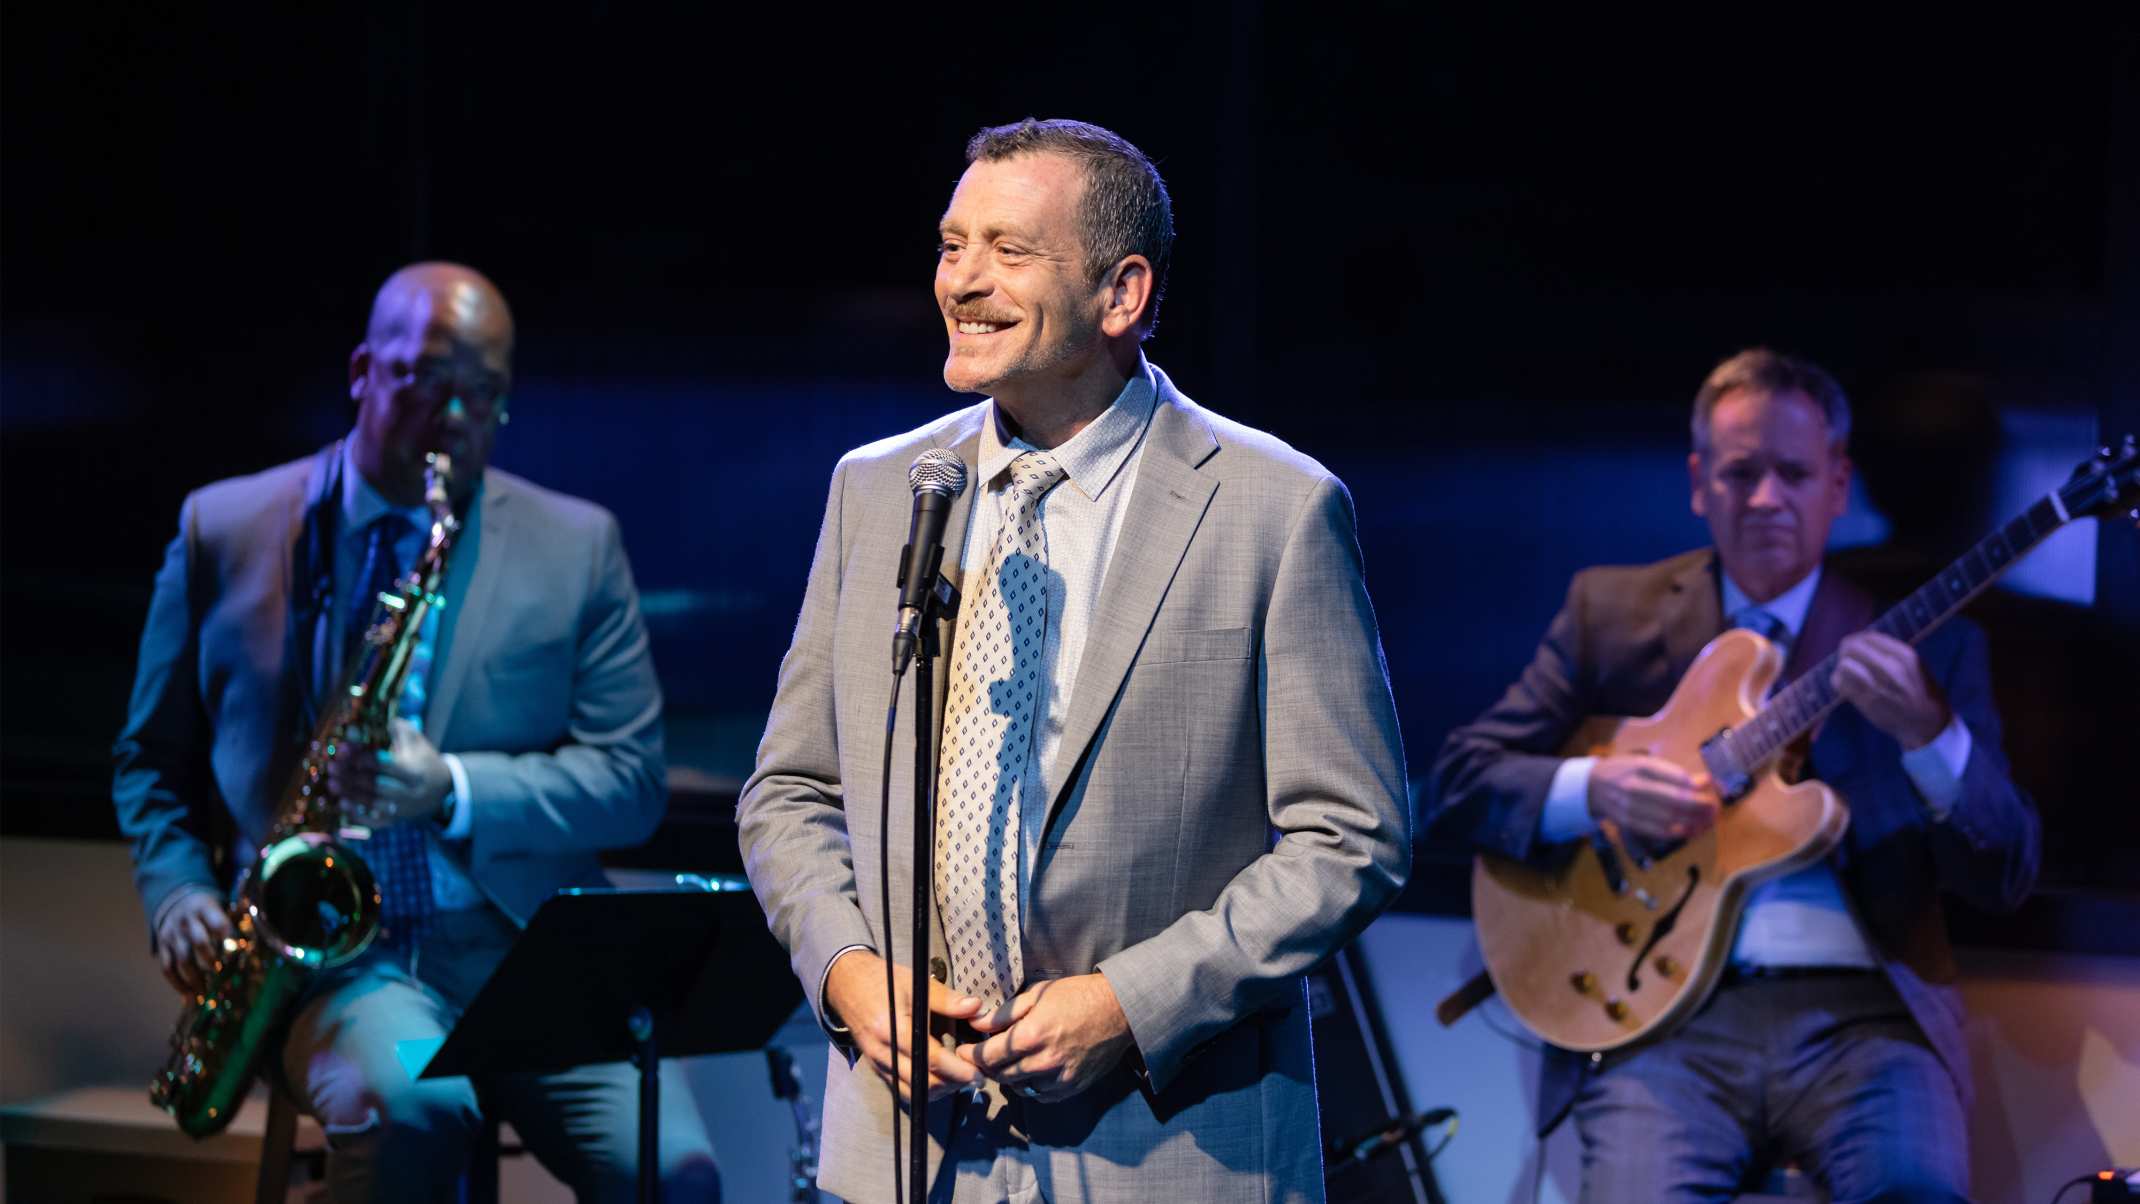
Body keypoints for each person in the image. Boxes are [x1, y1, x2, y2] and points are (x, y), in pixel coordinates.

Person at [738, 118, 1409, 1203]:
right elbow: (791, 791)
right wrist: (847, 973)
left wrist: (1129, 1004)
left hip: (1169, 1149)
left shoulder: (1274, 508)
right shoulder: (881, 489)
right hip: (909, 1149)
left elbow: (1351, 838)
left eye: (1008, 250)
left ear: (1122, 293)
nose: (962, 280)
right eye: (952, 245)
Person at [112, 262, 720, 1202]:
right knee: (417, 1109)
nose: (457, 416)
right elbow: (151, 761)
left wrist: (453, 789)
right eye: (428, 380)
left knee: (676, 1173)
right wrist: (178, 893)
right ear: (362, 370)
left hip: (525, 950)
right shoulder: (223, 527)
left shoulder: (577, 544)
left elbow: (631, 784)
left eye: (485, 392)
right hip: (333, 961)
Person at [1427, 348, 2040, 1203]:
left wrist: (1927, 733)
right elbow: (1458, 784)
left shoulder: (1936, 646)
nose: (1765, 499)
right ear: (1698, 482)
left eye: (1794, 473)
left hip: (1868, 1023)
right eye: (1740, 472)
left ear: (1838, 483)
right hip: (1662, 1025)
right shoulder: (1613, 613)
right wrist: (1596, 792)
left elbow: (2006, 870)